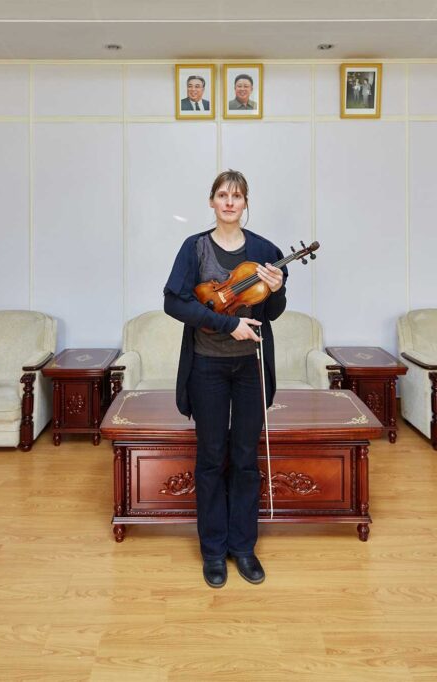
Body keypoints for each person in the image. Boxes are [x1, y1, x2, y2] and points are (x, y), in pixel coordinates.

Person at [163, 169, 287, 588]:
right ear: (212, 202)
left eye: (237, 196)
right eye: (222, 195)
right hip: (208, 366)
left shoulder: (265, 250)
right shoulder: (194, 248)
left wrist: (278, 287)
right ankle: (213, 551)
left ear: (246, 203)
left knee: (247, 459)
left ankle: (243, 548)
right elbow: (173, 303)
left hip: (250, 367)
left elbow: (271, 313)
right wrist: (224, 323)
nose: (229, 202)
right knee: (212, 458)